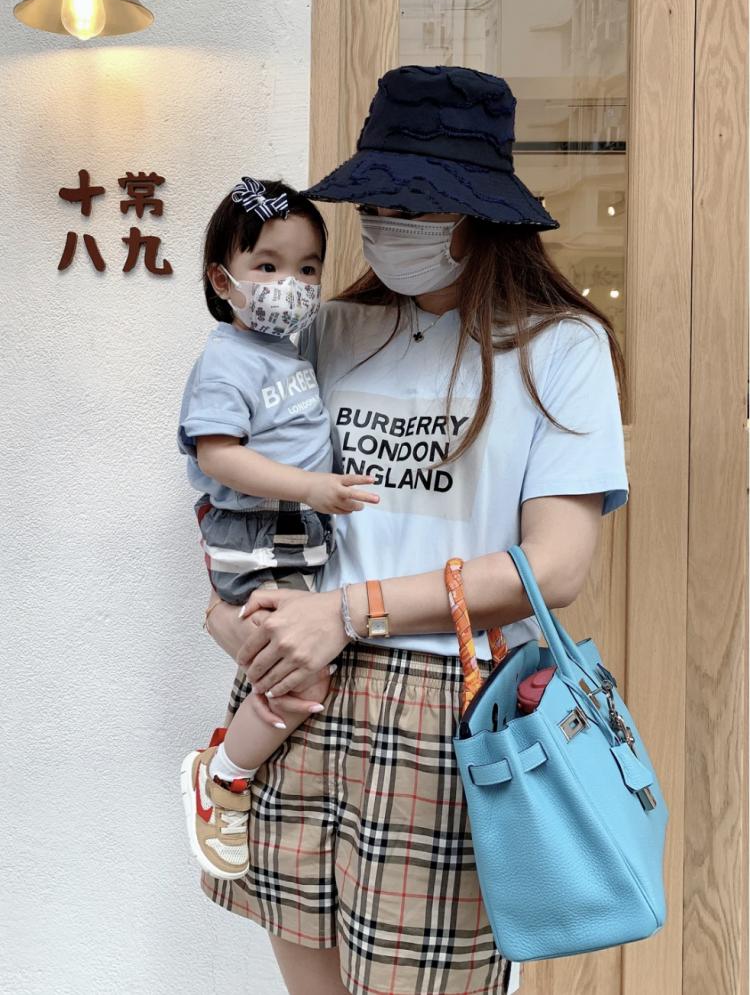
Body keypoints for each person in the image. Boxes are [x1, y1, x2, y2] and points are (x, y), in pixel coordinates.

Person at [197, 66, 629, 995]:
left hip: (449, 706)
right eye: (378, 201)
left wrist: (347, 610)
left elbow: (555, 568)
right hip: (299, 690)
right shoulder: (331, 328)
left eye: (416, 204)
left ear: (480, 213)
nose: (388, 222)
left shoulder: (559, 346)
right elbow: (231, 474)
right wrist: (227, 609)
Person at [177, 176, 379, 881]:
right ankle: (223, 778)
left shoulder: (286, 353)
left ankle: (229, 763)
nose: (289, 285)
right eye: (267, 266)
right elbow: (218, 454)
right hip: (257, 537)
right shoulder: (225, 361)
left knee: (293, 665)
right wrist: (312, 487)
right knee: (302, 673)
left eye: (307, 268)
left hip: (289, 535)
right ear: (222, 279)